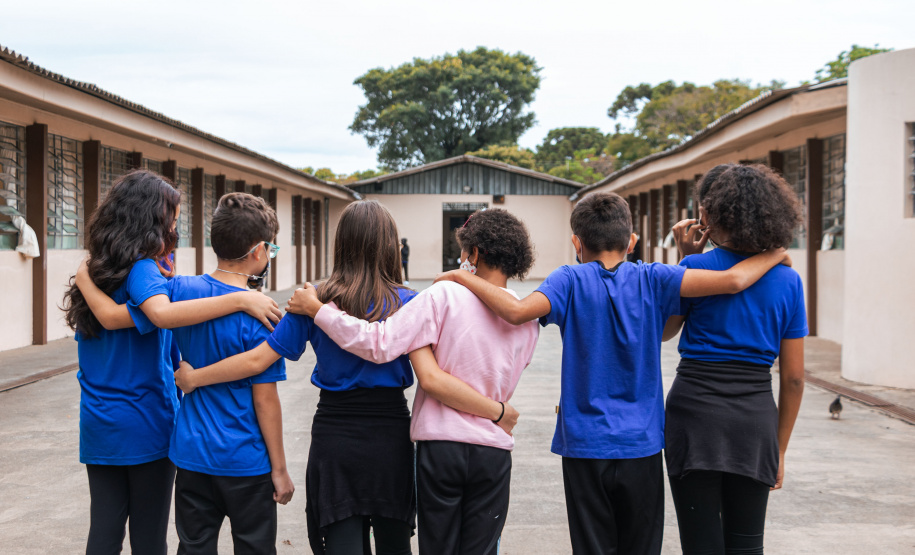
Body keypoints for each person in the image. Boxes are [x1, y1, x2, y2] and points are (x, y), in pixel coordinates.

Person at [428, 191, 791, 555]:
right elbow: (733, 281)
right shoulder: (655, 278)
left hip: (585, 447)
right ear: (632, 241)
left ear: (576, 242)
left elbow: (517, 311)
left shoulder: (568, 279)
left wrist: (459, 277)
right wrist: (774, 253)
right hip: (642, 446)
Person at [173, 200, 511, 555]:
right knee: (394, 543)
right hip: (390, 437)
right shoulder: (410, 302)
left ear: (342, 245)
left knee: (341, 544)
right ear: (389, 245)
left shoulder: (312, 300)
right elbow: (441, 373)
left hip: (335, 438)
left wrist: (197, 377)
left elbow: (258, 360)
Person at [286, 208, 539, 555]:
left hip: (441, 449)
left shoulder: (440, 297)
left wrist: (319, 310)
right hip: (493, 449)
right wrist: (497, 412)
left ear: (474, 255)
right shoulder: (529, 321)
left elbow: (381, 344)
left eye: (462, 253)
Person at [62, 171, 282, 555]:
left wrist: (82, 279)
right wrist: (242, 299)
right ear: (149, 219)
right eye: (173, 221)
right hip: (145, 420)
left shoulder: (95, 270)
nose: (174, 230)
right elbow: (162, 316)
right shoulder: (144, 271)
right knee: (149, 534)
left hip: (98, 423)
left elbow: (116, 319)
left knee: (105, 528)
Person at [662, 163, 806, 555]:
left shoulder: (694, 269)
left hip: (693, 418)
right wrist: (779, 449)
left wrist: (685, 262)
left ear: (709, 216)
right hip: (754, 421)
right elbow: (793, 379)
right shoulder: (788, 280)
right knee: (746, 544)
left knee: (700, 543)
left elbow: (664, 331)